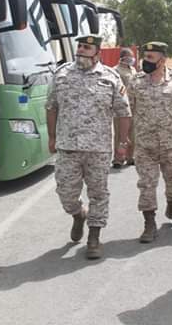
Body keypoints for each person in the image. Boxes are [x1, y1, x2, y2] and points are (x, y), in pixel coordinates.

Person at [46, 35, 132, 259]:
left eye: (87, 47)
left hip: (99, 148)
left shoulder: (111, 77)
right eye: (80, 46)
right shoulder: (62, 74)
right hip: (68, 146)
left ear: (97, 53)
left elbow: (124, 113)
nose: (81, 50)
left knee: (98, 193)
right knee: (65, 192)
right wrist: (52, 137)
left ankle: (94, 236)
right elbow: (51, 107)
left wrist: (122, 143)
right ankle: (78, 214)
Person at [129, 41, 172, 243]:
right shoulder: (135, 81)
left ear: (162, 60)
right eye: (145, 57)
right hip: (145, 145)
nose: (145, 61)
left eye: (150, 57)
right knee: (146, 184)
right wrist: (126, 141)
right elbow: (129, 111)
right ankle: (149, 223)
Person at [113, 48, 136, 168]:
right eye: (130, 57)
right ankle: (118, 158)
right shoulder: (115, 70)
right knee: (120, 133)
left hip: (133, 106)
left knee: (132, 133)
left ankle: (130, 157)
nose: (132, 59)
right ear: (123, 58)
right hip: (121, 107)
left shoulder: (133, 70)